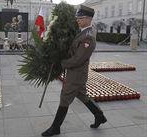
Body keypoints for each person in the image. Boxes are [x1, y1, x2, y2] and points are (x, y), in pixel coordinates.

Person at [41, 5, 107, 137]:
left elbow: (78, 59)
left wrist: (61, 64)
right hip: (77, 73)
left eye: (81, 18)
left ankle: (55, 128)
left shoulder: (88, 37)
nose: (78, 20)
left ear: (88, 19)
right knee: (82, 95)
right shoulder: (83, 31)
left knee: (65, 98)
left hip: (76, 74)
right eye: (77, 17)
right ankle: (99, 116)